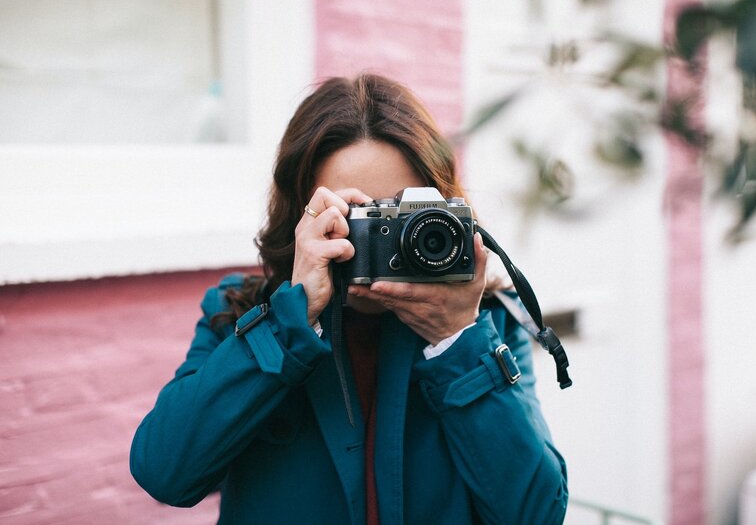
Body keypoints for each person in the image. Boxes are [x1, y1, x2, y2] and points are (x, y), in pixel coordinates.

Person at [130, 73, 568, 524]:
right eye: (362, 216)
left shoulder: (487, 318)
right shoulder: (242, 313)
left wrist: (456, 339)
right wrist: (289, 324)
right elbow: (165, 474)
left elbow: (536, 515)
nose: (388, 240)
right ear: (303, 218)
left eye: (404, 214)